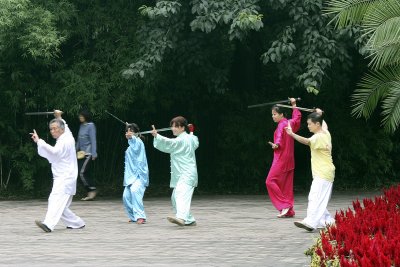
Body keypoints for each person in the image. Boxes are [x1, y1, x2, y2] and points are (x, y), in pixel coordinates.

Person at [31, 110, 85, 232]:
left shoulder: (63, 141)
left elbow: (54, 153)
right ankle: (77, 223)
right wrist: (59, 116)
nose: (53, 131)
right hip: (67, 176)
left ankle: (49, 224)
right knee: (62, 205)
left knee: (55, 199)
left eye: (55, 128)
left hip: (64, 177)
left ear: (61, 129)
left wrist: (39, 141)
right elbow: (65, 125)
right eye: (51, 129)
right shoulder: (68, 135)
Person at [285, 109, 335, 232]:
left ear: (317, 124)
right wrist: (320, 113)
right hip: (326, 172)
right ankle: (328, 222)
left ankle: (310, 222)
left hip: (322, 173)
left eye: (309, 124)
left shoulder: (318, 137)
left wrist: (292, 134)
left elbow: (306, 141)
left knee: (314, 197)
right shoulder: (326, 133)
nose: (308, 126)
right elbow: (324, 124)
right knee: (320, 199)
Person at [151, 116, 199, 226]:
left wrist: (157, 135)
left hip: (187, 173)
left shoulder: (181, 140)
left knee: (180, 194)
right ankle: (189, 219)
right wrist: (191, 132)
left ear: (182, 128)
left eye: (175, 126)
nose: (173, 128)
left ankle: (181, 218)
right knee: (175, 197)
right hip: (184, 173)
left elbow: (170, 144)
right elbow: (195, 142)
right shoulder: (191, 139)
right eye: (172, 126)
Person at [266, 98, 302, 218]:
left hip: (281, 158)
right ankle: (289, 210)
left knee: (270, 181)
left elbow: (280, 136)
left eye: (275, 114)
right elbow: (297, 118)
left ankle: (284, 205)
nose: (273, 116)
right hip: (289, 159)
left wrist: (277, 144)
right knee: (286, 185)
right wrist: (294, 104)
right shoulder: (289, 123)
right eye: (272, 114)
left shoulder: (282, 124)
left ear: (281, 114)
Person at [123, 123, 149, 224]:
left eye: (131, 131)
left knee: (135, 190)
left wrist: (132, 137)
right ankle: (133, 216)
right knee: (126, 196)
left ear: (136, 133)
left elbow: (135, 144)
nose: (128, 133)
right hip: (130, 177)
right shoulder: (129, 148)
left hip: (139, 175)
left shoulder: (139, 142)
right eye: (127, 131)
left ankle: (140, 216)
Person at [76, 110, 98, 201]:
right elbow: (78, 140)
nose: (80, 118)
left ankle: (92, 190)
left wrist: (94, 153)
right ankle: (90, 193)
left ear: (86, 116)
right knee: (81, 173)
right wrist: (74, 150)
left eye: (82, 116)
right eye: (79, 116)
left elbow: (93, 140)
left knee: (81, 173)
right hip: (81, 154)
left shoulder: (91, 126)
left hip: (88, 153)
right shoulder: (81, 126)